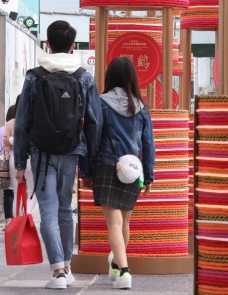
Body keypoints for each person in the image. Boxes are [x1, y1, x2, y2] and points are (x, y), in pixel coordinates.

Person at [14, 20, 102, 290]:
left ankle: (58, 272)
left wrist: (20, 162)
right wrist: (89, 167)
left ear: (48, 44)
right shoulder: (83, 77)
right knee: (66, 210)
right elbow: (94, 122)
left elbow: (22, 122)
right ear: (73, 45)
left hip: (41, 153)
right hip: (72, 152)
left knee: (48, 212)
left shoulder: (34, 76)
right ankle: (67, 268)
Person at [91, 57, 155, 290]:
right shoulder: (141, 107)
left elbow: (95, 137)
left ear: (111, 77)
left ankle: (125, 272)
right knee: (124, 222)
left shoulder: (101, 103)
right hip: (132, 168)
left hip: (108, 166)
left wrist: (88, 169)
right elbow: (148, 144)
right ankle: (117, 265)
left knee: (114, 223)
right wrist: (148, 175)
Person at [3, 102, 16, 223]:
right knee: (17, 192)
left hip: (4, 163)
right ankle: (19, 218)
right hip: (14, 160)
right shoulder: (22, 124)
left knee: (7, 192)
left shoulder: (5, 127)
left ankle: (8, 220)